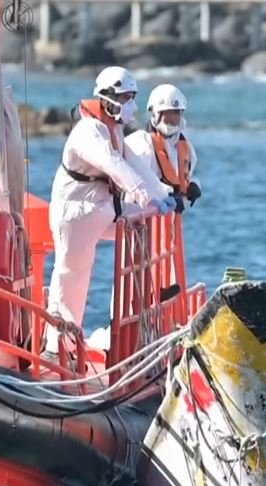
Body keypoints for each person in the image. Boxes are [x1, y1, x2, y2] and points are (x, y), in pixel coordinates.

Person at [44, 67, 177, 352]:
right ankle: (59, 344)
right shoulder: (88, 131)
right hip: (75, 212)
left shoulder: (112, 129)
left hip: (102, 209)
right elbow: (112, 165)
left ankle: (136, 317)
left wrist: (162, 194)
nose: (131, 104)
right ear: (108, 98)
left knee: (141, 229)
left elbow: (135, 165)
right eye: (126, 97)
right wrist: (144, 197)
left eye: (132, 97)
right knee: (72, 273)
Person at [127, 83, 201, 211]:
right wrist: (167, 193)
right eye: (166, 114)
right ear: (154, 114)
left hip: (170, 219)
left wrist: (194, 186)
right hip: (141, 215)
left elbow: (187, 175)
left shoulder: (186, 148)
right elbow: (138, 182)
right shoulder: (140, 143)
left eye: (176, 113)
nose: (171, 119)